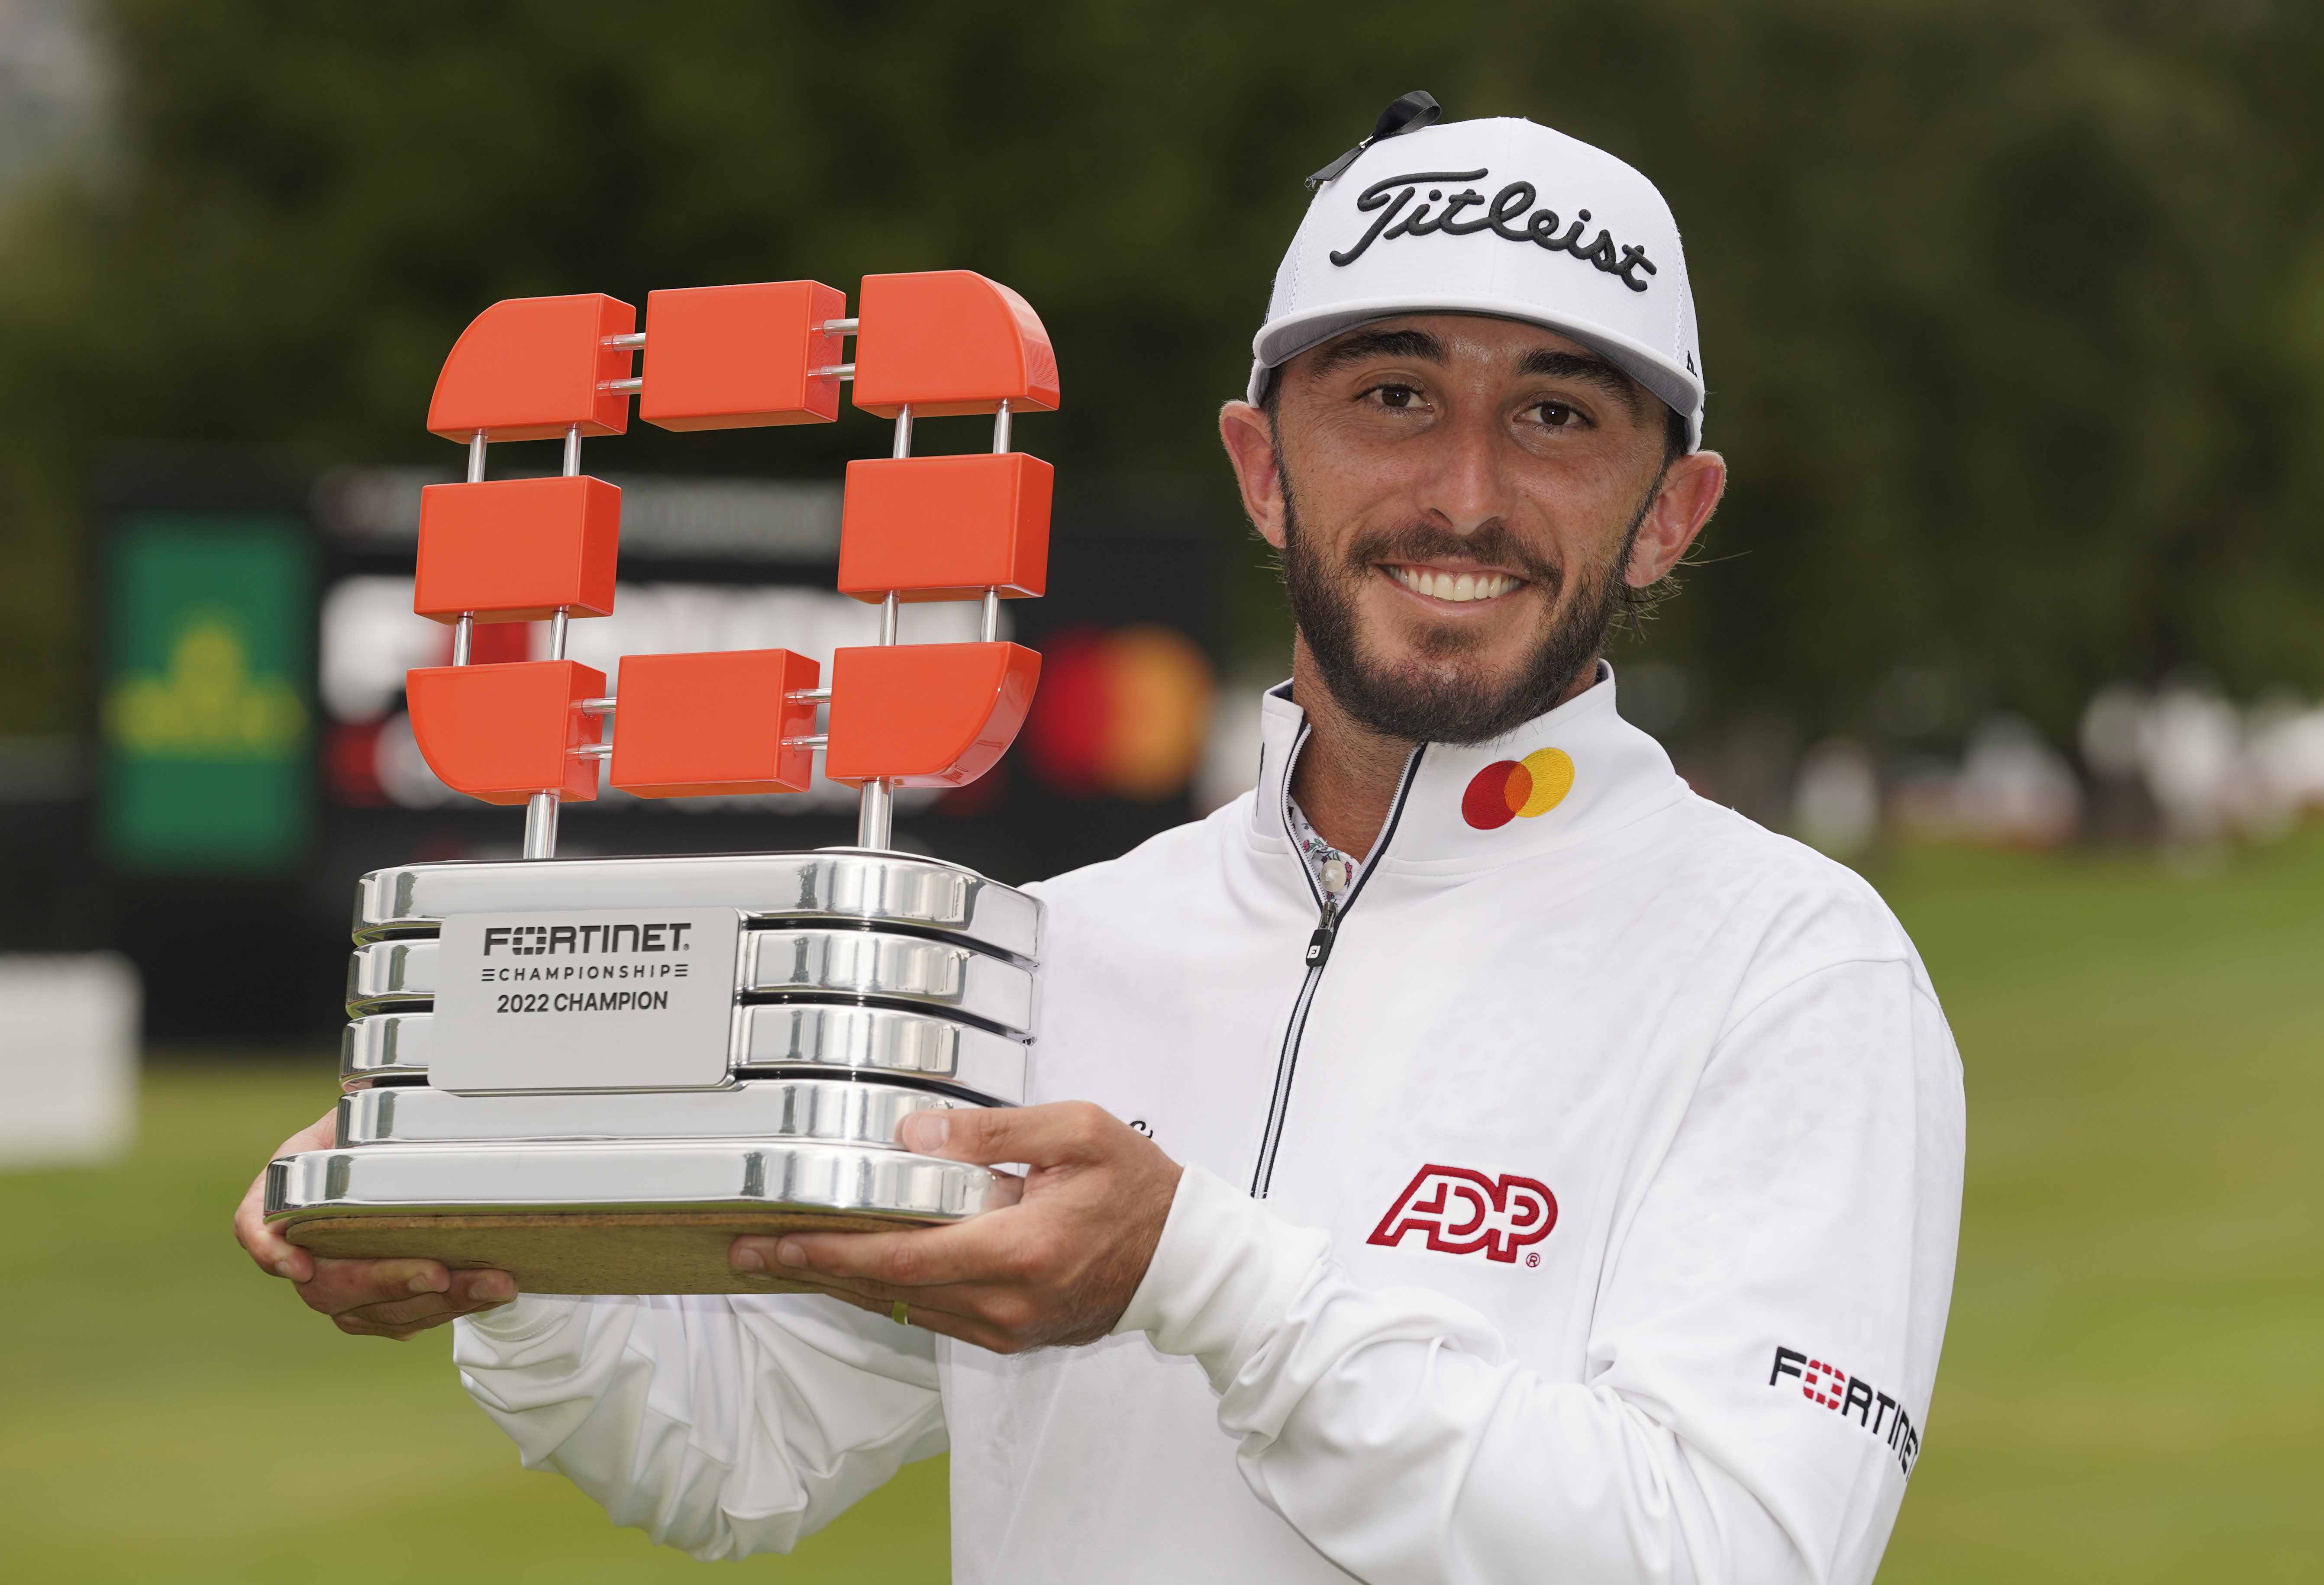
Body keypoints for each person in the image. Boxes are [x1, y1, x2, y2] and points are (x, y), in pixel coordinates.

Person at [237, 100, 1963, 1585]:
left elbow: (1726, 1550)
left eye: (1560, 416)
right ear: (1262, 466)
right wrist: (496, 1258)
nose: (1464, 494)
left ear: (1673, 509)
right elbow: (741, 1441)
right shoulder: (1060, 949)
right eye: (1390, 396)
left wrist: (1194, 1273)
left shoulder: (1788, 967)